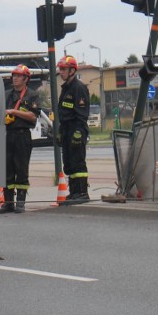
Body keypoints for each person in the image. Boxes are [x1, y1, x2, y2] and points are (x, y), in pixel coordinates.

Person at [0, 65, 40, 214]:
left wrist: (14, 111)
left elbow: (33, 116)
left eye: (18, 76)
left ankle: (20, 202)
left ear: (25, 79)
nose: (14, 78)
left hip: (22, 135)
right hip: (7, 134)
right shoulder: (6, 94)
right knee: (5, 169)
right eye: (14, 75)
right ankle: (8, 202)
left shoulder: (32, 95)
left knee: (21, 168)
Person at [56, 55, 91, 204]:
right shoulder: (65, 88)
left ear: (72, 70)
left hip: (77, 128)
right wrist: (60, 130)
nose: (61, 72)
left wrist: (78, 132)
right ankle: (74, 192)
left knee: (78, 162)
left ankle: (82, 192)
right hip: (66, 129)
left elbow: (82, 113)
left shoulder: (79, 88)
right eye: (60, 69)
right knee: (69, 162)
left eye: (63, 69)